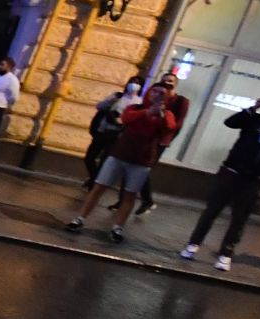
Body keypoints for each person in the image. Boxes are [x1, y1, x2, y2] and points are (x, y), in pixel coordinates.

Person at [181, 93, 260, 271]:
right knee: (212, 210)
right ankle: (193, 244)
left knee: (240, 218)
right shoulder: (256, 118)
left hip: (256, 179)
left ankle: (225, 254)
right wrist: (254, 107)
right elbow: (230, 123)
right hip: (232, 171)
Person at [65, 85, 177, 242]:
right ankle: (79, 218)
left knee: (129, 195)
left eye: (162, 93)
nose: (157, 95)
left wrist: (162, 114)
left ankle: (117, 228)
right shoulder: (135, 107)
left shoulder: (167, 114)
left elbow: (169, 128)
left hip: (141, 161)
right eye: (155, 91)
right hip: (119, 155)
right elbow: (126, 118)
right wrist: (146, 112)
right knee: (99, 187)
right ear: (148, 93)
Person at [134, 70, 190, 217]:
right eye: (165, 80)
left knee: (144, 169)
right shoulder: (158, 96)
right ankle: (137, 200)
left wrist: (167, 139)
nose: (167, 83)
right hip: (147, 136)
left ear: (176, 85)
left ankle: (147, 200)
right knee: (138, 167)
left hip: (160, 140)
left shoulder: (181, 101)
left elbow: (178, 123)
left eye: (170, 81)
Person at [83, 76, 143, 189]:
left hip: (117, 135)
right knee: (89, 158)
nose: (133, 85)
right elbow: (100, 106)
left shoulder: (139, 102)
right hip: (103, 130)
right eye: (131, 82)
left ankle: (93, 184)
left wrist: (120, 120)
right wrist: (112, 100)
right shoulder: (118, 96)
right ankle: (94, 178)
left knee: (104, 161)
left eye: (137, 83)